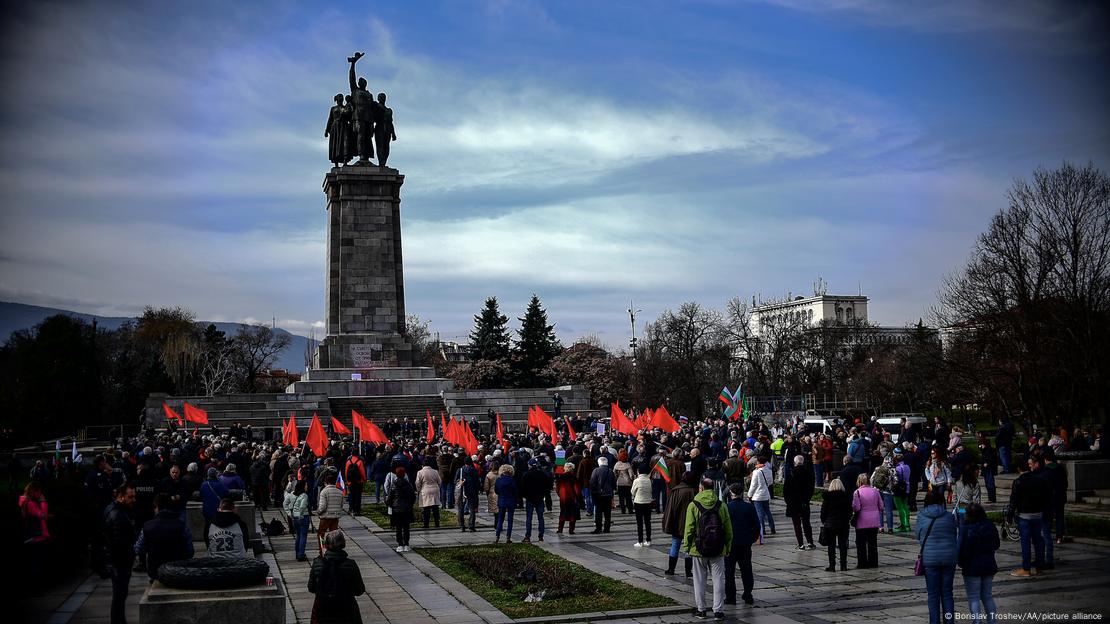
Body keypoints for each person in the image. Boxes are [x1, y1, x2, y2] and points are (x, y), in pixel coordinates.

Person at [683, 477, 733, 620]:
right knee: (718, 580)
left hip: (698, 549)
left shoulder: (693, 505)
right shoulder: (721, 505)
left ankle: (701, 610)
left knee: (699, 580)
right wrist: (727, 546)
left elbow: (689, 528)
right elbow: (728, 529)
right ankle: (718, 611)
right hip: (718, 548)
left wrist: (687, 546)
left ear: (702, 488)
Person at [917, 489, 958, 624]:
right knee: (947, 594)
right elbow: (954, 534)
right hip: (949, 559)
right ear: (942, 501)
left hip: (930, 559)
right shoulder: (949, 516)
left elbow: (918, 535)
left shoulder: (922, 516)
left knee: (933, 595)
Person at [308, 530, 366, 624]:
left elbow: (311, 588)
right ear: (343, 544)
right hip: (347, 610)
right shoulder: (351, 564)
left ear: (326, 545)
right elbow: (359, 590)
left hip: (323, 610)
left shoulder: (317, 563)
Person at [135, 493, 193, 582]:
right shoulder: (182, 526)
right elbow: (190, 552)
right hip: (178, 571)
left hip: (155, 572)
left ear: (156, 507)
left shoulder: (147, 527)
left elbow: (138, 549)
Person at [1009, 454, 1049, 576]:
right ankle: (1039, 567)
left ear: (1018, 469)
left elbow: (1014, 501)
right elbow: (1045, 497)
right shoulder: (1039, 480)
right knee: (1039, 542)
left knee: (1025, 543)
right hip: (1038, 515)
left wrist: (1009, 517)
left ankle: (1026, 569)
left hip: (1024, 516)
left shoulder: (1018, 482)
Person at [959, 504, 1000, 624]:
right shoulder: (990, 525)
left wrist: (961, 562)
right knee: (987, 595)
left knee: (973, 597)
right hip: (988, 565)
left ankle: (977, 621)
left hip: (972, 567)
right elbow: (996, 544)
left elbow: (962, 549)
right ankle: (992, 621)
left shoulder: (966, 529)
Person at [103, 483, 136, 624]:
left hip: (116, 561)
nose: (133, 499)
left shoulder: (114, 509)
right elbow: (120, 544)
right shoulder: (118, 515)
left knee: (119, 596)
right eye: (130, 497)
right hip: (119, 562)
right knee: (119, 596)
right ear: (121, 497)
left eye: (134, 496)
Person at [724, 483, 759, 606]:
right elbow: (756, 525)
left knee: (729, 571)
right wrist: (752, 539)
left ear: (731, 493)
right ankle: (748, 594)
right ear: (742, 493)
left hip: (730, 544)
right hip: (745, 543)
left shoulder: (726, 507)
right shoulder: (749, 507)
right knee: (746, 569)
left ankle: (730, 597)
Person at [663, 472, 698, 577]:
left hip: (677, 523)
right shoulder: (694, 491)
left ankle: (671, 569)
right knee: (689, 547)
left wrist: (668, 522)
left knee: (675, 545)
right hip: (690, 524)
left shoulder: (676, 491)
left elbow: (670, 509)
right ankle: (688, 571)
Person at [783, 455, 816, 550]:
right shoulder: (808, 473)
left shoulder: (791, 473)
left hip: (793, 502)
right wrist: (807, 499)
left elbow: (786, 490)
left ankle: (801, 544)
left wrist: (788, 501)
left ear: (795, 462)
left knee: (797, 524)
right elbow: (811, 488)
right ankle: (810, 542)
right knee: (806, 523)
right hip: (804, 502)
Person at [851, 473, 883, 568]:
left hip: (862, 521)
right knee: (872, 543)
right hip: (874, 520)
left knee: (861, 544)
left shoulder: (857, 492)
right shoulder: (875, 491)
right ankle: (873, 562)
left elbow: (856, 508)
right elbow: (881, 506)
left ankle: (862, 563)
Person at [820, 478, 851, 572]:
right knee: (843, 545)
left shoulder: (827, 498)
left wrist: (824, 521)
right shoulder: (846, 497)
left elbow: (823, 513)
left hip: (830, 524)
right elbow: (850, 511)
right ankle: (843, 565)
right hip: (843, 524)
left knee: (831, 545)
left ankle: (832, 566)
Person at [522, 458, 552, 543]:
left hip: (530, 499)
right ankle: (541, 536)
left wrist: (525, 496)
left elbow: (523, 487)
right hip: (540, 498)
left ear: (529, 465)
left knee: (529, 518)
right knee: (540, 518)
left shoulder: (526, 474)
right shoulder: (542, 474)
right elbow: (548, 486)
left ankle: (528, 536)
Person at [385, 467, 415, 552]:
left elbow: (390, 498)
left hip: (396, 509)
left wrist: (389, 504)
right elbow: (412, 496)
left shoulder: (394, 484)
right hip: (406, 509)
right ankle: (406, 544)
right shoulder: (408, 484)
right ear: (404, 474)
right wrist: (410, 505)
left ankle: (400, 544)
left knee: (398, 528)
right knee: (406, 527)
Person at [746, 455, 775, 541]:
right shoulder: (769, 471)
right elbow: (770, 482)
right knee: (768, 511)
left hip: (757, 495)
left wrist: (749, 494)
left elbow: (753, 485)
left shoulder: (756, 472)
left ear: (758, 462)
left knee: (759, 514)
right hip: (766, 494)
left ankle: (762, 530)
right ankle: (772, 528)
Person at [316, 472, 344, 554]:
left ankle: (322, 551)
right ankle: (334, 550)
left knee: (321, 534)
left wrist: (318, 512)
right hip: (335, 516)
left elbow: (322, 506)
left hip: (326, 517)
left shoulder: (324, 492)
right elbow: (342, 505)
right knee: (334, 535)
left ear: (326, 482)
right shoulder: (340, 492)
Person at [589, 456, 616, 533]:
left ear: (599, 463)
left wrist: (593, 491)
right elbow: (614, 483)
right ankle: (607, 528)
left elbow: (592, 483)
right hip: (608, 495)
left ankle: (598, 528)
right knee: (608, 513)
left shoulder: (596, 471)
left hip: (598, 495)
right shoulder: (610, 471)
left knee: (598, 512)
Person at [286, 479, 311, 561]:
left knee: (298, 536)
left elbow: (285, 504)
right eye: (306, 485)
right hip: (303, 517)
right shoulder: (304, 495)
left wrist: (290, 514)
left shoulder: (294, 494)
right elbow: (302, 506)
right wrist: (301, 514)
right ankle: (301, 554)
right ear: (303, 486)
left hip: (295, 517)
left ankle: (297, 553)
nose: (307, 486)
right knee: (303, 536)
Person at [952, 464, 982, 534]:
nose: (979, 473)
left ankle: (961, 543)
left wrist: (957, 505)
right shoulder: (975, 484)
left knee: (962, 530)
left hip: (961, 507)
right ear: (973, 472)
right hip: (970, 508)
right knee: (971, 530)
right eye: (977, 471)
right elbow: (976, 500)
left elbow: (954, 496)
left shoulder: (958, 482)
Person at [631, 462, 654, 547]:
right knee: (648, 522)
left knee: (639, 523)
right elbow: (651, 490)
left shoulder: (637, 480)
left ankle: (640, 541)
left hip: (639, 503)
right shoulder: (649, 480)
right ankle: (648, 540)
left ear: (639, 471)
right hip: (648, 503)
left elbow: (632, 492)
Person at [870, 457, 896, 534]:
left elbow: (872, 479)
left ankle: (881, 527)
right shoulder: (892, 470)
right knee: (889, 511)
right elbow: (896, 481)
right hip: (888, 492)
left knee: (879, 510)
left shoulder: (877, 468)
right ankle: (890, 528)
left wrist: (874, 488)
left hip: (878, 491)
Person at [456, 456, 480, 533]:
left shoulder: (460, 470)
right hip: (472, 491)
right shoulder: (474, 470)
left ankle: (461, 526)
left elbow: (455, 481)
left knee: (460, 508)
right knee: (472, 509)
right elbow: (477, 482)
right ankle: (471, 526)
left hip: (462, 491)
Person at [556, 461, 582, 534]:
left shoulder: (560, 477)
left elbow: (557, 489)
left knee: (563, 513)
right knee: (572, 515)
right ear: (572, 469)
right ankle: (571, 530)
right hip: (572, 498)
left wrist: (560, 495)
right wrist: (579, 498)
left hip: (563, 498)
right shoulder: (574, 477)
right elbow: (577, 489)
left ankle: (560, 529)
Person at [415, 459, 442, 528]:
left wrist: (418, 490)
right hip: (435, 490)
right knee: (435, 508)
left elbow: (418, 483)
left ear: (423, 465)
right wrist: (437, 487)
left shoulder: (420, 472)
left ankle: (426, 524)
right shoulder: (435, 471)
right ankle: (437, 523)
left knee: (426, 508)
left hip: (425, 490)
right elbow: (439, 481)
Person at [494, 464, 517, 543]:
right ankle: (508, 537)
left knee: (500, 519)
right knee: (510, 520)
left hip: (502, 500)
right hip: (511, 501)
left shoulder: (498, 480)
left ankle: (497, 536)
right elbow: (515, 491)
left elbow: (496, 491)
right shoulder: (512, 480)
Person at [372, 92, 397, 166]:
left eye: (383, 97)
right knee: (380, 145)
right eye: (380, 97)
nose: (382, 98)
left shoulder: (389, 110)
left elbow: (391, 122)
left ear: (385, 99)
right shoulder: (376, 107)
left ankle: (384, 161)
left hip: (388, 128)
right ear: (378, 98)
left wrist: (393, 133)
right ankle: (381, 161)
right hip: (379, 127)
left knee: (386, 146)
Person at [892, 451, 912, 532]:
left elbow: (895, 479)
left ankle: (903, 525)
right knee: (905, 506)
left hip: (898, 489)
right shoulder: (907, 466)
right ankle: (907, 524)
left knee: (900, 508)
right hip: (907, 488)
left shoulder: (897, 468)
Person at [344, 451, 366, 517]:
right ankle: (357, 510)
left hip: (350, 481)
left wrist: (347, 480)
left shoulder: (348, 461)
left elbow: (346, 471)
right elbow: (362, 471)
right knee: (358, 496)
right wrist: (364, 479)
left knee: (351, 495)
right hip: (359, 481)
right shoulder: (360, 461)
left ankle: (351, 509)